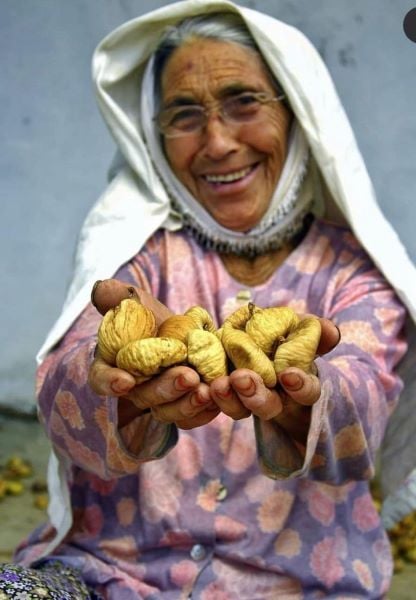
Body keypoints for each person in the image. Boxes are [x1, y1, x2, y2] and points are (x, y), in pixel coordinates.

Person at [2, 1, 416, 598]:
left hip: (296, 585)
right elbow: (67, 387)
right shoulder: (133, 254)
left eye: (244, 103)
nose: (218, 143)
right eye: (184, 115)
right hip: (110, 577)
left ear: (297, 114)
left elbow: (363, 401)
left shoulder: (355, 273)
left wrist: (305, 405)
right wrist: (113, 385)